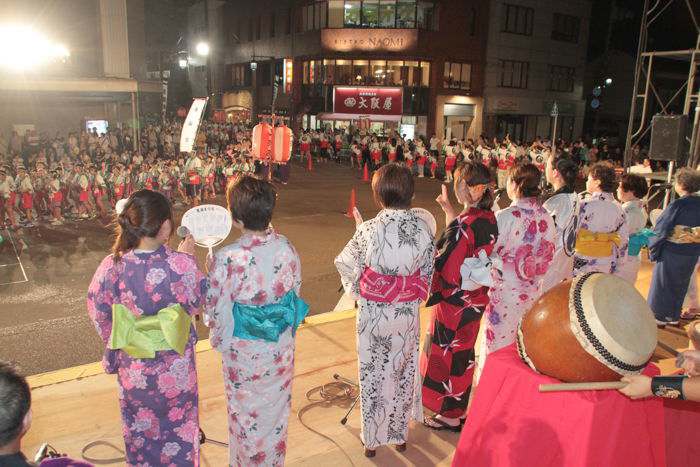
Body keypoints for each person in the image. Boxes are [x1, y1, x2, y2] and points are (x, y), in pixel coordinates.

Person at [87, 190, 207, 466]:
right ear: (165, 226)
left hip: (135, 369)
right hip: (175, 370)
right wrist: (189, 259)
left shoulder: (112, 266)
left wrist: (119, 340)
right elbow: (202, 301)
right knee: (179, 432)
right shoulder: (181, 264)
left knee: (140, 435)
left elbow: (97, 309)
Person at [205, 175, 307, 467]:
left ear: (235, 218)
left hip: (244, 353)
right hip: (279, 350)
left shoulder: (227, 258)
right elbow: (294, 294)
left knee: (245, 415)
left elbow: (214, 308)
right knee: (275, 415)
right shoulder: (286, 248)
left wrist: (219, 337)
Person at [335, 164, 435, 457]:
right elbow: (428, 271)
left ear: (378, 196)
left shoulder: (368, 230)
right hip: (405, 313)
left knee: (373, 373)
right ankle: (400, 434)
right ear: (411, 194)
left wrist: (356, 288)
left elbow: (345, 263)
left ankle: (372, 441)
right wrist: (412, 292)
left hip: (374, 314)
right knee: (401, 371)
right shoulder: (424, 230)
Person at [421, 162, 498, 431]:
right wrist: (449, 212)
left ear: (465, 187)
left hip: (455, 303)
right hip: (475, 299)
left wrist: (432, 259)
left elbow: (449, 269)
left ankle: (450, 414)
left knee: (447, 356)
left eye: (457, 182)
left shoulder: (465, 224)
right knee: (463, 355)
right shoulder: (488, 218)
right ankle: (459, 409)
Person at [478, 163, 555, 378]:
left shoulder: (506, 216)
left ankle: (491, 384)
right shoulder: (547, 218)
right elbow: (549, 255)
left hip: (504, 291)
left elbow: (490, 252)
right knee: (521, 345)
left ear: (516, 184)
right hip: (531, 290)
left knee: (497, 344)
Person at [647, 168, 700, 326]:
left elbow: (662, 229)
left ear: (681, 185)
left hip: (672, 250)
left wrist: (653, 249)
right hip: (691, 251)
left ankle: (659, 316)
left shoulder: (678, 205)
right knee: (681, 283)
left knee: (663, 284)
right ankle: (673, 315)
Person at [573, 162, 629, 277]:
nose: (586, 182)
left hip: (582, 259)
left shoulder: (583, 205)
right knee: (598, 291)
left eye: (589, 179)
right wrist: (620, 263)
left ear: (597, 182)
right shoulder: (619, 209)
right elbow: (623, 239)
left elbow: (571, 232)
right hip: (606, 260)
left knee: (579, 292)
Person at [541, 157, 580, 292]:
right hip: (565, 259)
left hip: (552, 262)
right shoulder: (575, 195)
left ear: (555, 173)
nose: (545, 170)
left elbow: (542, 233)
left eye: (547, 167)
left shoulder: (556, 202)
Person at [616, 173, 650, 284]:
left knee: (619, 289)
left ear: (631, 191)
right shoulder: (639, 208)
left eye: (619, 187)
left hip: (625, 257)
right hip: (631, 256)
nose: (617, 189)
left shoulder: (630, 212)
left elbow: (620, 236)